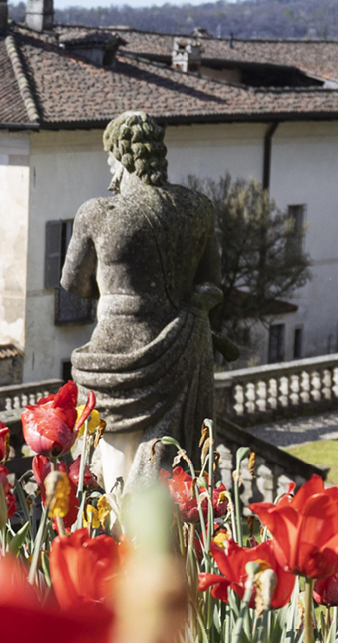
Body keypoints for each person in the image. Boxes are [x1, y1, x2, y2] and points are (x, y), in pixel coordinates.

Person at [59, 110, 224, 486]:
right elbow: (212, 285)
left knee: (111, 461)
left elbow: (73, 283)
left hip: (115, 352)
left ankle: (112, 538)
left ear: (120, 157)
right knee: (174, 466)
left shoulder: (97, 214)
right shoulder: (198, 209)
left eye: (109, 158)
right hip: (184, 348)